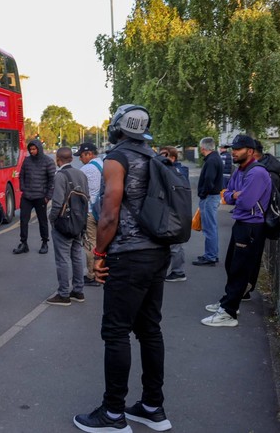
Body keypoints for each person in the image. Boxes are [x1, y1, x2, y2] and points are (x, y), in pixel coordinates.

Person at [74, 104, 173, 433]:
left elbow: (109, 214)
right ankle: (152, 407)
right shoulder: (152, 156)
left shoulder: (117, 159)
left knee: (116, 332)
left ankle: (113, 414)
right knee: (150, 331)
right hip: (157, 253)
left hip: (128, 256)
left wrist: (99, 254)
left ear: (117, 127)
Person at [202, 134, 271, 328]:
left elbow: (246, 202)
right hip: (241, 222)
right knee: (232, 265)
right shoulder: (240, 170)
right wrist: (236, 195)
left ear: (249, 151)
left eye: (238, 149)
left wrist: (237, 195)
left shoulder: (256, 172)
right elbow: (227, 196)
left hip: (251, 225)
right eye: (233, 148)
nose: (234, 152)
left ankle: (229, 312)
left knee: (240, 269)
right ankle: (229, 301)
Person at [46, 147, 88, 306]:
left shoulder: (60, 176)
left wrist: (52, 219)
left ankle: (63, 293)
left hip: (64, 223)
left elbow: (57, 203)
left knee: (62, 258)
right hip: (79, 223)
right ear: (71, 158)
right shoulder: (81, 174)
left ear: (58, 159)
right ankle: (78, 290)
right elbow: (86, 198)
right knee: (77, 256)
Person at [248, 140, 280, 297]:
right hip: (260, 219)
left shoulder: (267, 172)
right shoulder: (265, 168)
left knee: (252, 258)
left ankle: (245, 290)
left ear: (252, 153)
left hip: (260, 221)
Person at [14, 139, 55, 255]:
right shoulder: (27, 161)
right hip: (27, 196)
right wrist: (23, 187)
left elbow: (52, 180)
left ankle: (45, 242)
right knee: (23, 220)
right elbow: (21, 175)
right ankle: (23, 243)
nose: (32, 151)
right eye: (30, 149)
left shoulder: (48, 161)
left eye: (34, 149)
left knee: (42, 221)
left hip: (40, 197)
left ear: (39, 149)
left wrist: (48, 196)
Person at [74, 142, 103, 287]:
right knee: (104, 243)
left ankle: (92, 275)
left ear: (89, 154)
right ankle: (103, 271)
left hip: (91, 211)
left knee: (91, 243)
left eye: (81, 155)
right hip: (104, 211)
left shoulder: (86, 169)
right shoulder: (104, 164)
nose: (80, 159)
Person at [160, 146, 190, 283]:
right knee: (172, 243)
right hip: (176, 211)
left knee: (175, 244)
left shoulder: (175, 172)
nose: (160, 158)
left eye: (163, 155)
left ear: (172, 157)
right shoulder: (180, 171)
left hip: (175, 211)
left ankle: (178, 272)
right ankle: (176, 271)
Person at [193, 137, 224, 266]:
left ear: (203, 148)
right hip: (213, 196)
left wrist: (203, 193)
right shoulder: (215, 158)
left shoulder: (211, 160)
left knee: (209, 228)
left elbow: (208, 179)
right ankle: (212, 254)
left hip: (210, 197)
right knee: (211, 227)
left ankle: (210, 256)